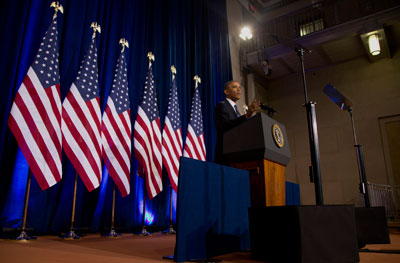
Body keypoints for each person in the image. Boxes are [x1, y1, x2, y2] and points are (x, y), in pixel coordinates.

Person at [214, 80, 260, 164]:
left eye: (239, 87)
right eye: (235, 87)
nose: (239, 90)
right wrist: (247, 115)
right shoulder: (222, 105)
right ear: (226, 91)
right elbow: (225, 125)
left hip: (237, 153)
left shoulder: (237, 111)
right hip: (225, 153)